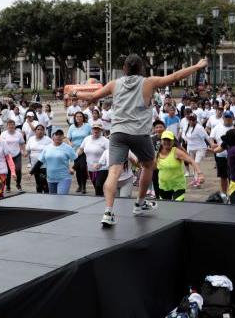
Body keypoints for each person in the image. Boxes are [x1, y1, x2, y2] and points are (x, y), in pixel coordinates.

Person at [76, 55, 207, 227]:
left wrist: (75, 93)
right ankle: (139, 203)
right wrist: (197, 66)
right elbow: (175, 77)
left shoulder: (114, 84)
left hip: (118, 133)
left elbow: (92, 96)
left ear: (124, 68)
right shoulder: (148, 82)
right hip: (139, 134)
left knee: (113, 172)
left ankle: (108, 212)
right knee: (148, 165)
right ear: (142, 68)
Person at [156, 131, 202, 201]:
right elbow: (151, 167)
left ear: (173, 141)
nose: (167, 142)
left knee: (177, 207)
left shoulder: (176, 151)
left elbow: (191, 161)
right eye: (164, 140)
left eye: (169, 140)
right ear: (161, 141)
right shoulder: (157, 153)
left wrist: (200, 174)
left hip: (178, 186)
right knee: (165, 208)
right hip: (164, 186)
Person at [38, 129, 77, 194]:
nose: (58, 136)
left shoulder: (68, 148)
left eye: (60, 135)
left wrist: (73, 168)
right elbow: (40, 161)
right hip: (51, 178)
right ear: (53, 137)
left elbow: (77, 160)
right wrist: (31, 172)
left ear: (63, 137)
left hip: (64, 177)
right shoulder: (47, 148)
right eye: (56, 134)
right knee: (54, 200)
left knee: (61, 198)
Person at [77, 122, 109, 195]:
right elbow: (81, 149)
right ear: (91, 130)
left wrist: (101, 163)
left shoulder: (105, 141)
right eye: (94, 128)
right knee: (97, 187)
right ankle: (102, 199)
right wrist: (75, 155)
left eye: (98, 129)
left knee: (98, 185)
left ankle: (101, 202)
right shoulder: (87, 139)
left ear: (101, 130)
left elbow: (109, 154)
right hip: (91, 169)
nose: (96, 130)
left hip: (102, 168)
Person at [68, 112, 91, 194]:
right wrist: (70, 143)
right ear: (74, 118)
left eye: (80, 116)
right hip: (75, 150)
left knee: (83, 167)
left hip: (85, 149)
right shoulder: (72, 127)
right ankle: (79, 185)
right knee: (78, 169)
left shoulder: (87, 126)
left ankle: (84, 186)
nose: (78, 118)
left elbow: (91, 136)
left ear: (83, 118)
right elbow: (68, 138)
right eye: (77, 116)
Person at [0, 120, 25, 192]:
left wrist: (24, 151)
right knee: (8, 171)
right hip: (7, 156)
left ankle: (18, 184)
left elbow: (22, 143)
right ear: (7, 126)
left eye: (13, 125)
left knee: (18, 169)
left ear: (15, 126)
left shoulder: (18, 134)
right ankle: (8, 186)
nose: (11, 126)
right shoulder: (3, 134)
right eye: (9, 125)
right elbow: (1, 145)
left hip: (17, 154)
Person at [26, 125, 52, 193]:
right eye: (38, 129)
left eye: (41, 130)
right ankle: (39, 196)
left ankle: (47, 195)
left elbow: (52, 150)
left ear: (44, 131)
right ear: (35, 131)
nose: (40, 131)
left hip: (44, 165)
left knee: (42, 181)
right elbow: (28, 150)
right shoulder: (31, 139)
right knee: (38, 182)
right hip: (34, 165)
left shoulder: (48, 140)